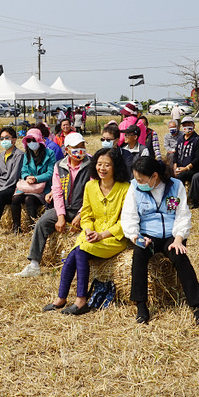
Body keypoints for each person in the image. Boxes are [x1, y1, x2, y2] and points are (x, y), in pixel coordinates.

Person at [42, 147, 130, 315]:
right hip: (91, 233)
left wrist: (102, 235)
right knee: (73, 254)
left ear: (116, 167)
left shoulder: (125, 188)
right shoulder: (90, 186)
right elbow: (87, 214)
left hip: (113, 237)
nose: (102, 168)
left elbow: (125, 221)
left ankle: (79, 300)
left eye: (107, 165)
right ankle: (62, 299)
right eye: (99, 164)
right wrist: (89, 230)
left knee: (80, 250)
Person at [121, 157, 199, 325]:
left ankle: (197, 307)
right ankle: (141, 306)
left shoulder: (176, 185)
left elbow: (182, 215)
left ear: (154, 176)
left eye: (141, 179)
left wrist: (179, 238)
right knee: (138, 255)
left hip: (171, 235)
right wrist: (136, 236)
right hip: (147, 235)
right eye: (136, 179)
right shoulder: (134, 188)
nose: (138, 183)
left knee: (179, 256)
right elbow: (129, 216)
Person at [14, 132, 92, 277]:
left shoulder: (91, 164)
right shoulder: (60, 166)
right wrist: (61, 216)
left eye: (82, 146)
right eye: (75, 147)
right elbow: (57, 191)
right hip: (65, 208)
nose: (80, 150)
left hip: (85, 210)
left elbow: (93, 195)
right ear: (67, 150)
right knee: (42, 223)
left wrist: (81, 214)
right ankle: (34, 264)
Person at [10, 128, 57, 233]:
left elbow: (50, 173)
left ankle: (34, 228)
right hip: (29, 185)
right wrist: (27, 177)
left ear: (39, 140)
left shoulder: (49, 153)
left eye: (34, 140)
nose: (31, 143)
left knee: (29, 199)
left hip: (43, 187)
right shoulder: (27, 154)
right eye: (29, 141)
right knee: (15, 199)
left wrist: (36, 178)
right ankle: (16, 227)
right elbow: (23, 171)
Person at [173, 116, 199, 190]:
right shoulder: (180, 139)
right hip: (179, 167)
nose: (187, 127)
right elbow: (176, 154)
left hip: (192, 169)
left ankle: (181, 197)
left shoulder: (198, 140)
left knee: (181, 176)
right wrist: (175, 167)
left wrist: (186, 168)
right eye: (184, 125)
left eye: (189, 125)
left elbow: (198, 158)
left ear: (194, 126)